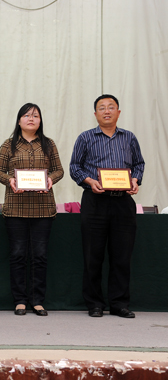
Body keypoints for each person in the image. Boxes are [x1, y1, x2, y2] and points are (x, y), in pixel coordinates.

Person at [70, 94, 145, 318]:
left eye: (111, 107)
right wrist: (89, 181)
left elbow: (139, 164)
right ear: (95, 114)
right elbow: (74, 167)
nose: (106, 111)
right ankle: (94, 303)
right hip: (95, 201)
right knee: (93, 255)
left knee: (122, 256)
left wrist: (135, 180)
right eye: (101, 108)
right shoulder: (85, 137)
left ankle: (119, 304)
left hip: (123, 202)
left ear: (118, 112)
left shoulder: (129, 137)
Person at [0, 103, 64, 316]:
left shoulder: (48, 144)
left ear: (40, 120)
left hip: (43, 209)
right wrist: (10, 180)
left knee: (39, 256)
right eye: (26, 115)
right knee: (17, 255)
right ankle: (20, 300)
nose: (31, 119)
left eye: (35, 115)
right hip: (15, 209)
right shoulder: (9, 145)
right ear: (19, 121)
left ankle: (37, 300)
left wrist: (50, 179)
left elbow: (59, 170)